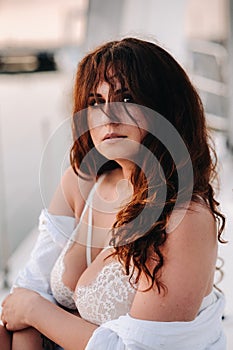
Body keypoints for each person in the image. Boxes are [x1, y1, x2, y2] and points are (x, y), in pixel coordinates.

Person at [1, 37, 226, 350]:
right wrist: (30, 322)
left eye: (127, 98)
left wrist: (37, 314)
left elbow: (137, 348)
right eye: (95, 102)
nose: (108, 115)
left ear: (165, 110)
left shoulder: (185, 218)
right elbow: (26, 295)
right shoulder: (81, 184)